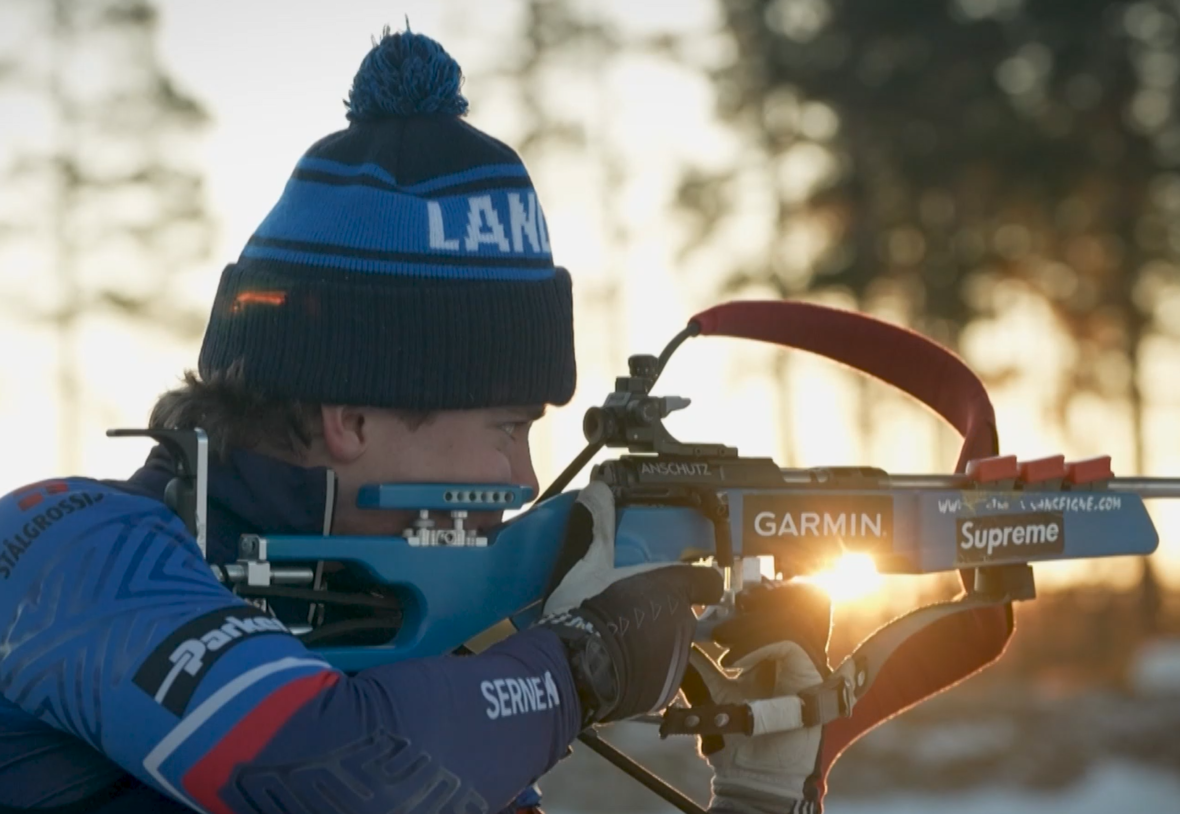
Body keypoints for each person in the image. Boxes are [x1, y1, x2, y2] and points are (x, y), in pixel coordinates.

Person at [0, 25, 1013, 814]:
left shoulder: (395, 643)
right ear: (352, 414)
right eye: (504, 424)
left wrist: (764, 778)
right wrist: (585, 662)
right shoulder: (71, 549)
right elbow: (327, 774)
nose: (527, 477)